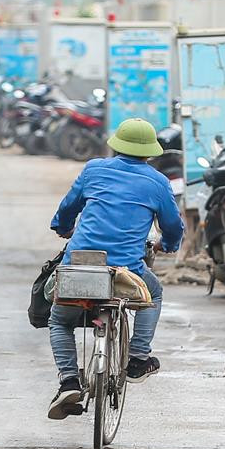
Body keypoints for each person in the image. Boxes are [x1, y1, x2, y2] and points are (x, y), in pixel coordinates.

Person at [46, 119, 183, 420]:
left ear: (115, 145)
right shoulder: (158, 182)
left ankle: (69, 381)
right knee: (154, 294)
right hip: (127, 271)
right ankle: (137, 358)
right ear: (150, 153)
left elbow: (69, 207)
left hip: (80, 267)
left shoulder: (94, 169)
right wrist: (168, 245)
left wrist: (63, 227)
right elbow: (173, 226)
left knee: (60, 320)